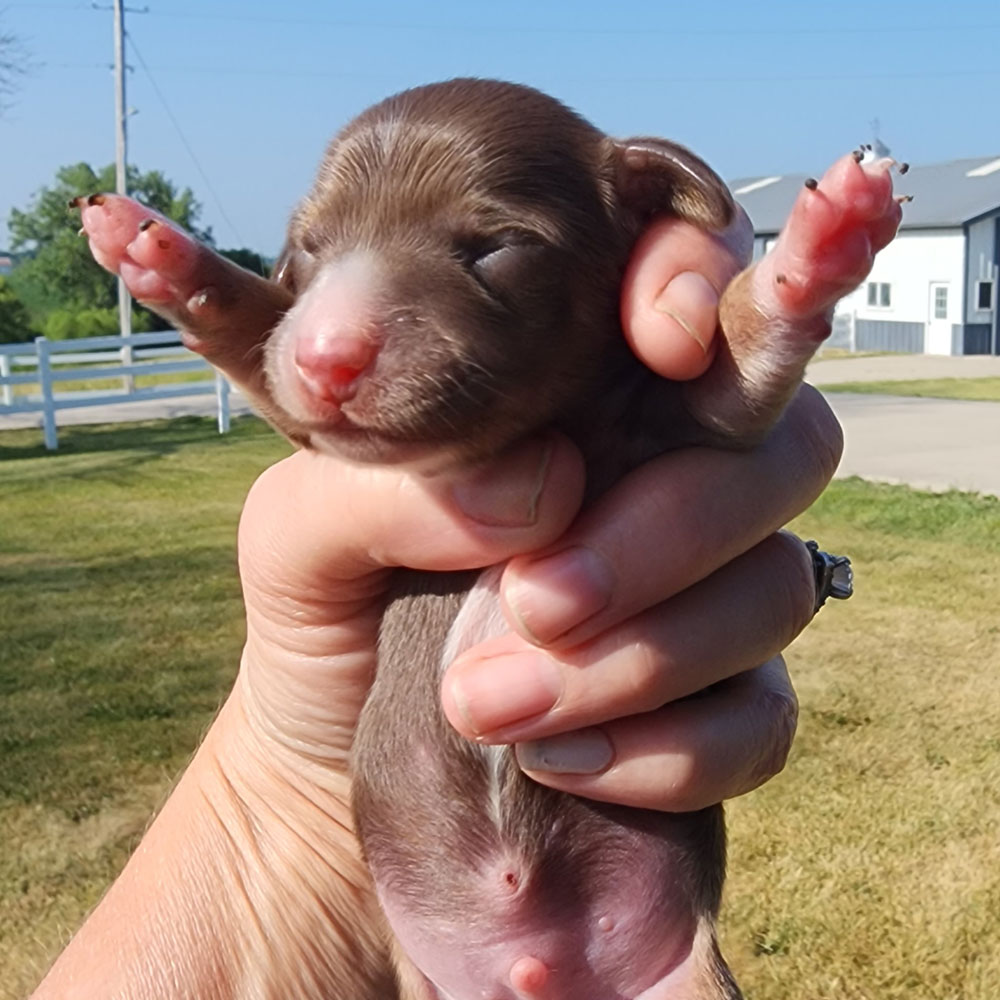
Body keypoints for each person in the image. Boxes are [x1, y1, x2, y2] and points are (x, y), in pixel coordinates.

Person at [31, 213, 841, 1000]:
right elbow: (308, 390)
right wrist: (213, 299)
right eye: (315, 255)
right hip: (423, 942)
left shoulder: (626, 395)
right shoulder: (384, 464)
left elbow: (730, 393)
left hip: (644, 945)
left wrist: (784, 297)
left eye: (490, 249)